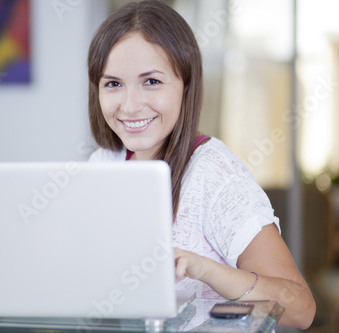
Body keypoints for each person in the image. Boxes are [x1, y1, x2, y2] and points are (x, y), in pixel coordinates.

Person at [87, 0, 315, 329]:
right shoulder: (103, 164)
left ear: (186, 85)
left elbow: (302, 309)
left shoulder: (214, 174)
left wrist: (204, 268)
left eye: (151, 81)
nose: (130, 105)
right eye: (113, 84)